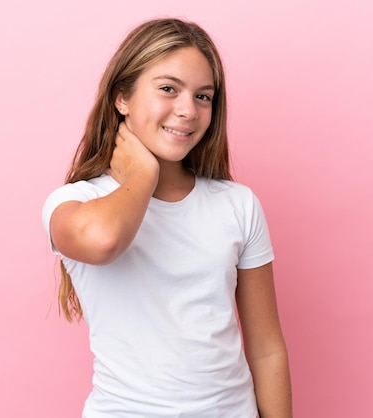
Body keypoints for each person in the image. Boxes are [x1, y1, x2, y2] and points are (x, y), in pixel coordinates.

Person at [42, 17, 292, 418]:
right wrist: (142, 174)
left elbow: (266, 348)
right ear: (121, 97)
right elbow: (104, 241)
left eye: (203, 96)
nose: (188, 110)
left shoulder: (237, 205)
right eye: (168, 89)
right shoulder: (75, 202)